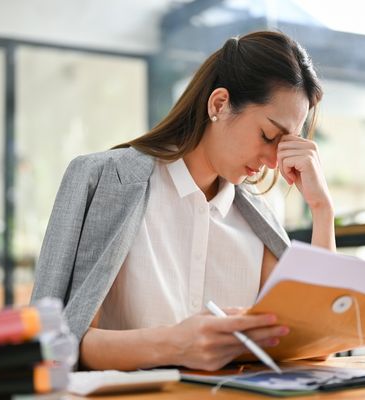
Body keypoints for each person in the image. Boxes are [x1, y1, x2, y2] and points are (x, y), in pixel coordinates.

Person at [31, 31, 335, 371]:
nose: (271, 161)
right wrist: (177, 345)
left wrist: (322, 210)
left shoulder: (255, 221)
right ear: (219, 104)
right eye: (268, 136)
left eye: (284, 145)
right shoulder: (103, 181)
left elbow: (314, 345)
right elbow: (56, 345)